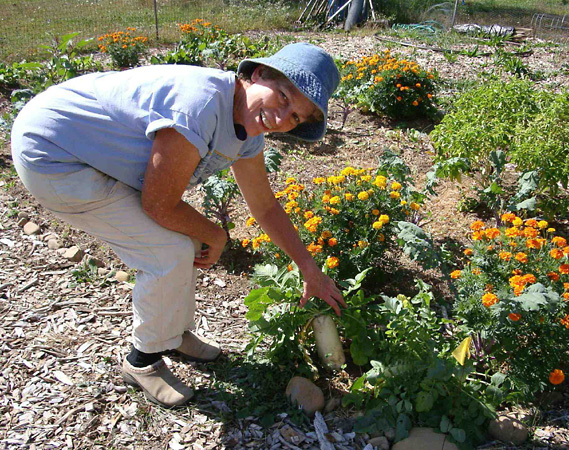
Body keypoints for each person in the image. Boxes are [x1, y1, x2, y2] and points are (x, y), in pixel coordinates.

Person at [11, 42, 346, 407]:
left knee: (183, 243)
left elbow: (264, 207)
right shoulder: (201, 105)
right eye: (283, 97)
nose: (282, 118)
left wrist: (309, 268)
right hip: (54, 153)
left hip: (89, 152)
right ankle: (142, 362)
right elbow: (158, 204)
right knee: (168, 250)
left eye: (296, 117)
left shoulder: (247, 133)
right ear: (257, 74)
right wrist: (216, 235)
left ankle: (171, 335)